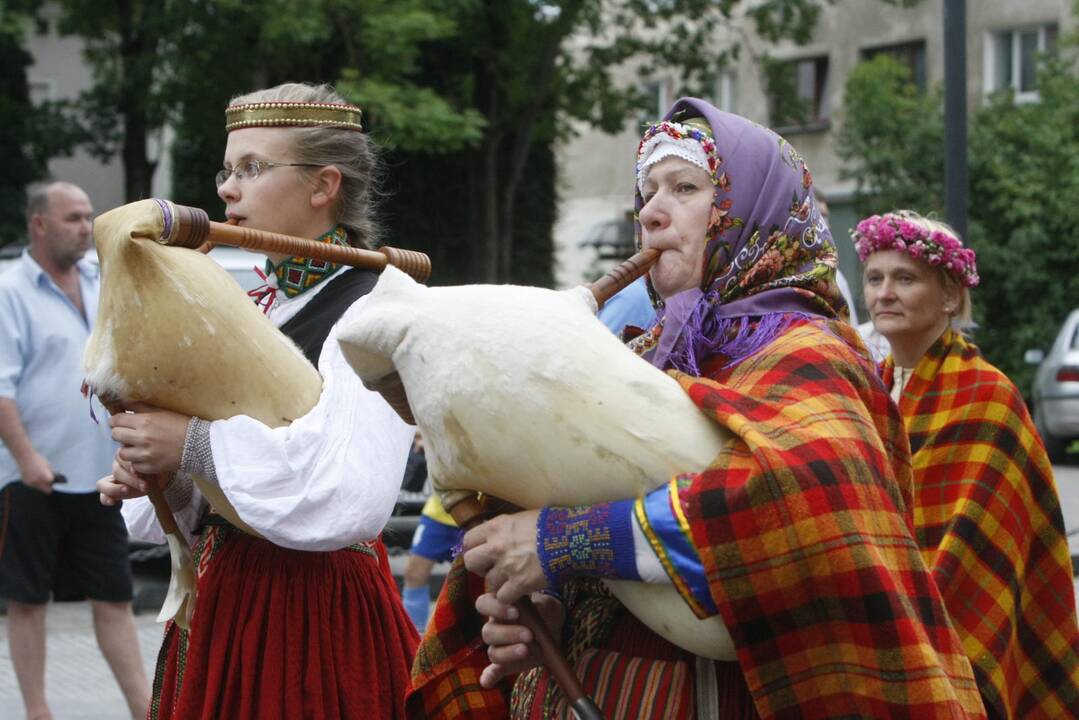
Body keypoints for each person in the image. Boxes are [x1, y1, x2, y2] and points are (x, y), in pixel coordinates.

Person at [407, 99, 986, 718]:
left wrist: (562, 543)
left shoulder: (809, 352)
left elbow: (802, 510)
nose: (651, 213)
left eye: (684, 188)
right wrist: (547, 606)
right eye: (646, 192)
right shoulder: (639, 355)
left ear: (752, 214)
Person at [95, 83, 418, 719]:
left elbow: (349, 497)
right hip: (228, 599)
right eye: (227, 169)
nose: (226, 190)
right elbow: (222, 505)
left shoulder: (378, 309)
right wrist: (166, 473)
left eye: (252, 168)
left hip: (313, 617)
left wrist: (191, 440)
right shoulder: (252, 305)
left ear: (324, 186)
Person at [857, 210, 1079, 718]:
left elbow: (983, 544)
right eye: (874, 277)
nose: (884, 293)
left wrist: (917, 628)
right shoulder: (865, 388)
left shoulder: (988, 395)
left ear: (951, 296)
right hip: (873, 621)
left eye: (905, 278)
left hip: (952, 626)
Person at [0, 181, 151, 720]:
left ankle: (143, 708)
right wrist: (27, 459)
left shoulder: (99, 280)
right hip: (31, 475)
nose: (87, 227)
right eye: (73, 218)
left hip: (100, 476)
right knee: (27, 599)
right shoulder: (9, 290)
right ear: (39, 223)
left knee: (113, 596)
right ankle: (39, 711)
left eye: (89, 217)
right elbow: (1, 387)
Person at [401, 433, 462, 631]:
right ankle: (413, 638)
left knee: (475, 585)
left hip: (478, 513)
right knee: (414, 573)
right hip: (438, 511)